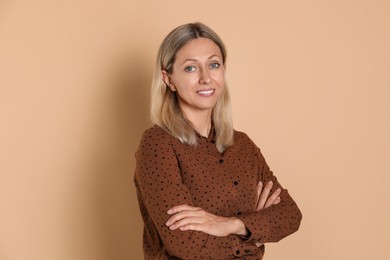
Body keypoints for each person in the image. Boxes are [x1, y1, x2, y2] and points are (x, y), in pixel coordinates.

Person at [134, 22, 302, 259]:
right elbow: (186, 244)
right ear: (168, 79)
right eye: (191, 68)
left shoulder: (243, 146)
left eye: (213, 65)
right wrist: (252, 235)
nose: (206, 78)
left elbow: (290, 215)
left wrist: (229, 224)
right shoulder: (158, 144)